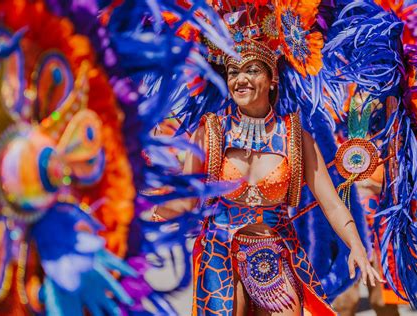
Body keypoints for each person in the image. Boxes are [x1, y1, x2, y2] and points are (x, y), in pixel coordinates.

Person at [152, 2, 385, 315]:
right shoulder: (211, 132)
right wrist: (144, 210)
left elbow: (330, 202)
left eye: (250, 70)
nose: (240, 79)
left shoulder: (294, 136)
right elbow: (186, 200)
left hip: (276, 252)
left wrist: (357, 246)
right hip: (219, 253)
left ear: (272, 78)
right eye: (233, 71)